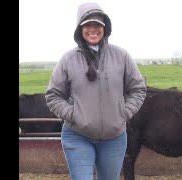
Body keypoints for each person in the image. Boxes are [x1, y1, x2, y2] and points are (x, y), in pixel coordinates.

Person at [45, 2, 146, 180]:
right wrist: (73, 114)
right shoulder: (68, 59)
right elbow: (53, 95)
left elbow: (137, 89)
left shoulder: (121, 56)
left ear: (105, 28)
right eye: (87, 24)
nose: (93, 29)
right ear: (80, 29)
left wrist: (123, 112)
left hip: (114, 138)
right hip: (77, 136)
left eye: (98, 24)